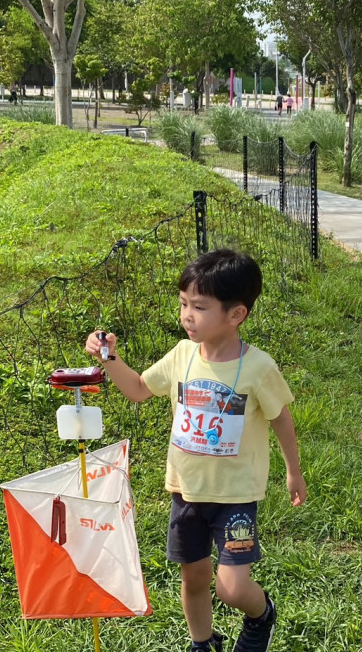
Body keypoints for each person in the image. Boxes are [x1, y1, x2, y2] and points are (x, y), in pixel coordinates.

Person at [85, 249, 306, 652]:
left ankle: (261, 614)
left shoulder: (258, 367)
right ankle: (202, 643)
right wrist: (109, 357)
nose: (187, 314)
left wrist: (294, 470)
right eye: (184, 303)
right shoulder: (181, 356)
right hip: (186, 493)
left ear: (236, 314)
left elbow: (281, 419)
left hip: (236, 497)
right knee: (194, 579)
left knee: (232, 587)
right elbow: (137, 390)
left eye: (199, 307)